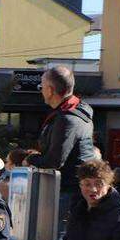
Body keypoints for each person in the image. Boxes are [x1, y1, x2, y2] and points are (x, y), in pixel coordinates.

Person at [27, 66, 97, 227]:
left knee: (55, 239)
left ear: (50, 90)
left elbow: (55, 161)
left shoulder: (67, 119)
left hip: (67, 191)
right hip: (72, 188)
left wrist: (30, 159)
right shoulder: (76, 112)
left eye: (42, 87)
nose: (41, 91)